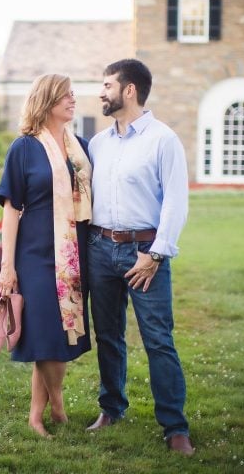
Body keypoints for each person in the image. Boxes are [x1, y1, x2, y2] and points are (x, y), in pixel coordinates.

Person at [85, 58, 194, 455]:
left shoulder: (163, 140)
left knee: (158, 340)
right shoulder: (98, 143)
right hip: (101, 249)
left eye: (108, 84)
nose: (101, 91)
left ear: (129, 90)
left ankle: (175, 428)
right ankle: (111, 409)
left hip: (144, 253)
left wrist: (155, 254)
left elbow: (175, 204)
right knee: (109, 337)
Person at [0, 74, 93, 438]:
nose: (73, 99)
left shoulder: (80, 146)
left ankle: (46, 411)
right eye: (65, 95)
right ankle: (50, 410)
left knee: (61, 334)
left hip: (74, 249)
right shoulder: (24, 148)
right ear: (47, 100)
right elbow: (10, 207)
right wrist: (7, 266)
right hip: (35, 252)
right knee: (46, 331)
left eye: (73, 94)